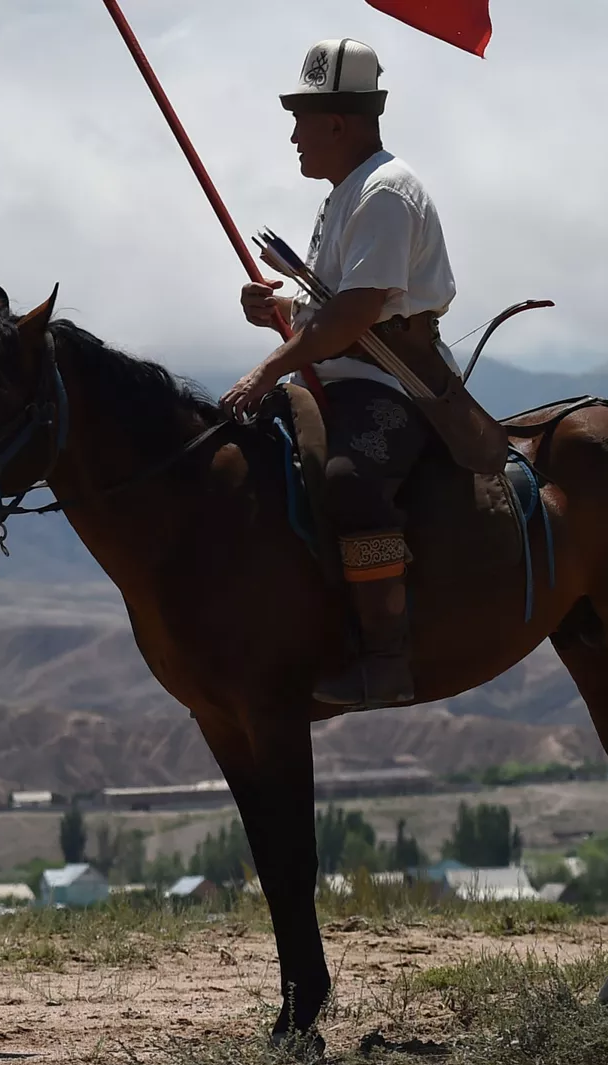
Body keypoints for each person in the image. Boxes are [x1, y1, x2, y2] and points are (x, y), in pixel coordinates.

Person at [220, 38, 502, 710]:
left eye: (302, 120)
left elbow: (353, 314)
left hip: (391, 384)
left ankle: (385, 658)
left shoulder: (385, 193)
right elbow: (328, 304)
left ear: (338, 124)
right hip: (336, 375)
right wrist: (277, 307)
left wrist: (267, 369)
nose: (294, 136)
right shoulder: (345, 194)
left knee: (350, 480)